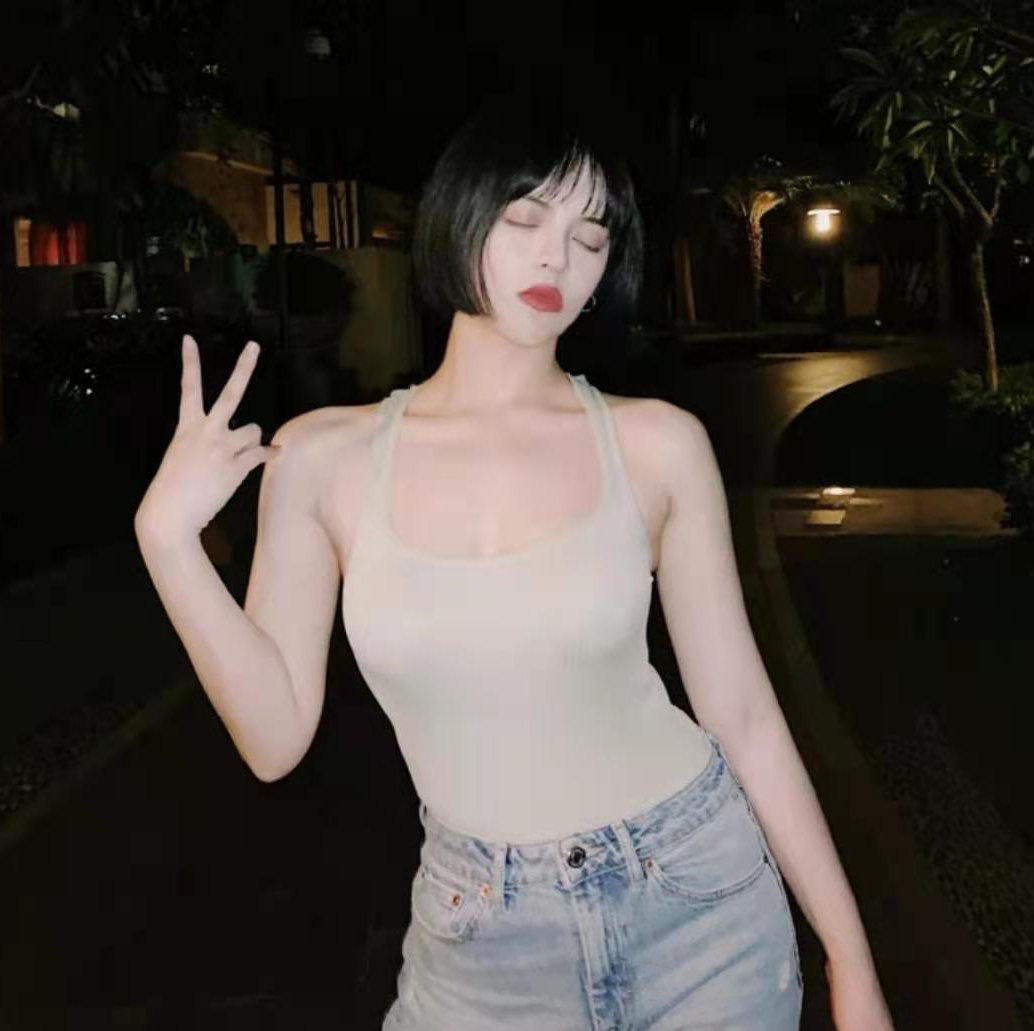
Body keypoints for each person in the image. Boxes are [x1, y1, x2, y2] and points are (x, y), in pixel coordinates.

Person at [134, 95, 894, 1029]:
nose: (556, 258)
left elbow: (742, 711)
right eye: (525, 218)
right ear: (459, 218)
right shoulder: (321, 457)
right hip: (481, 938)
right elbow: (273, 737)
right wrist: (168, 543)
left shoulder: (658, 445)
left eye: (590, 237)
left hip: (698, 904)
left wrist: (851, 958)